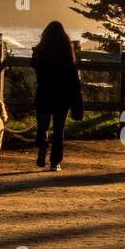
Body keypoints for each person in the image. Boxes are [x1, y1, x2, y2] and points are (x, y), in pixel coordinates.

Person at [30, 21, 83, 171]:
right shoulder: (67, 53)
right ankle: (55, 162)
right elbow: (74, 78)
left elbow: (33, 65)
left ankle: (42, 147)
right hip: (62, 97)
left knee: (42, 127)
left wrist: (35, 53)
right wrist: (76, 103)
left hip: (44, 95)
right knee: (59, 130)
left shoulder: (41, 51)